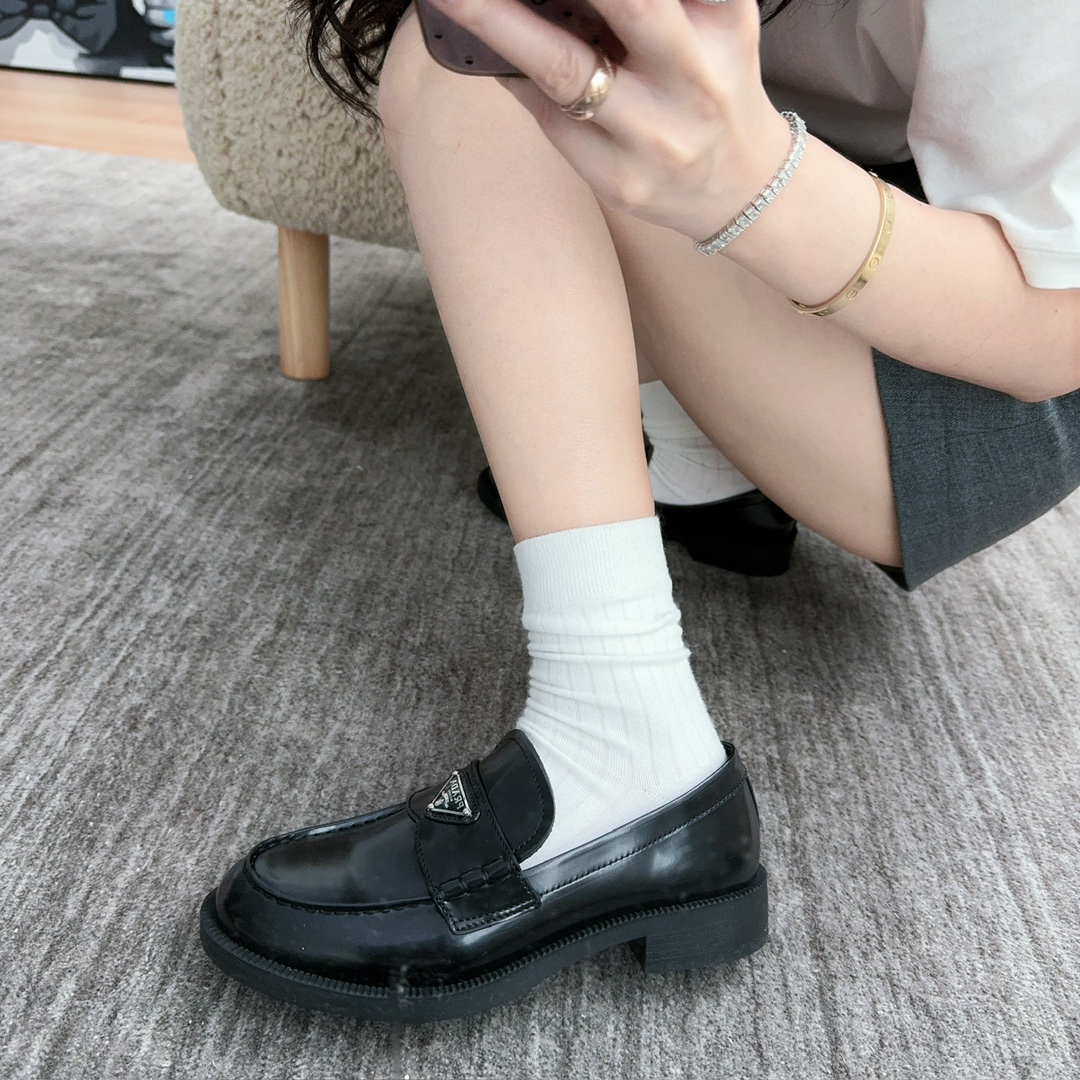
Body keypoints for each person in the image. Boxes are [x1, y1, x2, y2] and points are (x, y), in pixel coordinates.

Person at [197, 0, 1080, 1022]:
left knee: (489, 82)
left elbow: (1051, 333)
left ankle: (623, 739)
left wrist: (744, 176)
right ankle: (701, 468)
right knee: (507, 39)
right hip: (826, 215)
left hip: (985, 373)